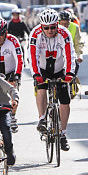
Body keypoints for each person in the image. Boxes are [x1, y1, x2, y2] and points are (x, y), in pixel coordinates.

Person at [29, 8, 76, 151]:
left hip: (60, 69)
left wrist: (70, 73)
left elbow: (70, 55)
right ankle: (42, 118)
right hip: (42, 68)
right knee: (41, 87)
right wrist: (36, 74)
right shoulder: (35, 34)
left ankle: (63, 134)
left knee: (65, 100)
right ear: (41, 26)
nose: (50, 30)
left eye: (53, 27)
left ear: (57, 25)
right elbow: (32, 57)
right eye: (46, 28)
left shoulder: (64, 33)